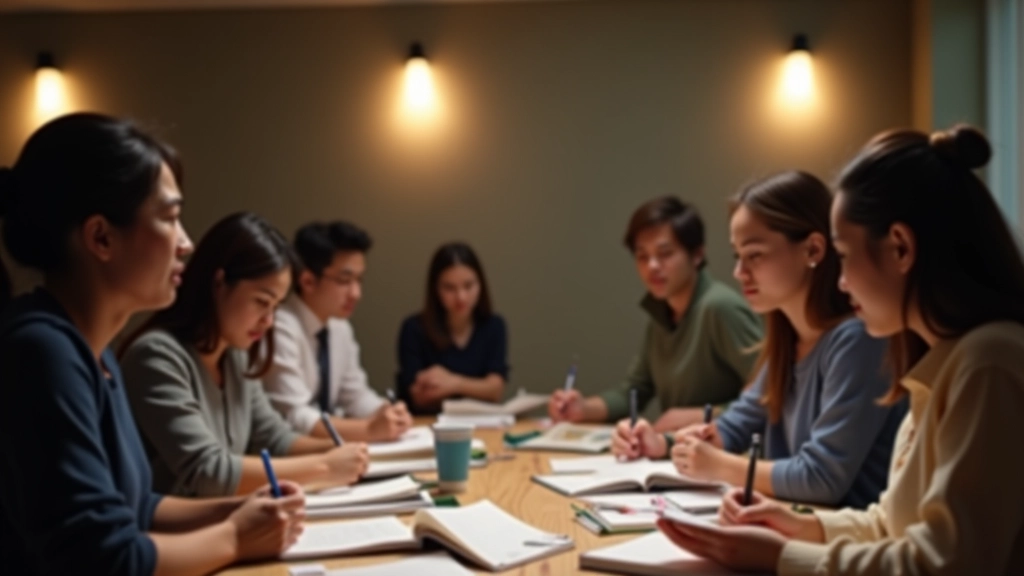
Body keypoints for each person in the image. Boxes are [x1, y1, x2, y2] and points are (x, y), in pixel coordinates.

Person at [657, 125, 1024, 575]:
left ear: (901, 248)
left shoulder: (988, 363)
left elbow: (946, 563)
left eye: (845, 256)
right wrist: (799, 527)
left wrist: (777, 555)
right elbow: (892, 523)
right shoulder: (947, 362)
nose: (842, 280)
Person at [0, 113, 305, 576]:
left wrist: (238, 510)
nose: (187, 244)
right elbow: (104, 557)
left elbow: (135, 506)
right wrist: (235, 538)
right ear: (101, 237)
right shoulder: (42, 350)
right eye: (170, 218)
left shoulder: (96, 350)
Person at [613, 172, 905, 509]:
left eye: (754, 255)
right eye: (737, 256)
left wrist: (720, 465)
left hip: (839, 544)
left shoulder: (857, 341)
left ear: (812, 249)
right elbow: (738, 424)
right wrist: (662, 444)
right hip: (793, 525)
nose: (739, 272)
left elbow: (822, 479)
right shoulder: (787, 339)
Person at [121, 212, 368, 497]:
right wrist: (324, 466)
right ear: (219, 283)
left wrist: (340, 450)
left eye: (275, 306)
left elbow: (273, 438)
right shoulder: (156, 357)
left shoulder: (234, 356)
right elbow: (208, 471)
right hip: (177, 537)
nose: (269, 320)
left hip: (228, 523)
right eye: (262, 302)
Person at [548, 197, 763, 431]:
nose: (652, 265)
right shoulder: (661, 313)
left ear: (697, 254)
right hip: (679, 452)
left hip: (725, 453)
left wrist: (705, 415)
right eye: (642, 256)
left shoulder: (720, 307)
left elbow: (771, 395)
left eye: (665, 253)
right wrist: (583, 408)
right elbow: (635, 390)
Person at [263, 221, 411, 441]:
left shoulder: (339, 327)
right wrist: (370, 430)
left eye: (359, 280)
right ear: (308, 280)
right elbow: (294, 415)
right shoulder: (279, 325)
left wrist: (386, 411)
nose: (356, 293)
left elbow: (355, 395)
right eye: (345, 280)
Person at [396, 242, 509, 415]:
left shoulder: (493, 325)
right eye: (449, 288)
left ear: (481, 285)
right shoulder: (414, 328)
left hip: (481, 423)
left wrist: (452, 382)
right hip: (427, 423)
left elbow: (496, 390)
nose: (461, 297)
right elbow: (418, 396)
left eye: (468, 286)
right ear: (435, 289)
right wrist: (476, 387)